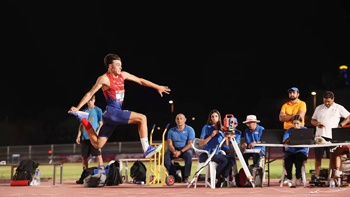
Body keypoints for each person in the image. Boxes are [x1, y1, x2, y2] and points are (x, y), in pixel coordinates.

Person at [69, 54, 171, 158]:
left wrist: (157, 87)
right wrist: (78, 107)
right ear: (110, 66)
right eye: (117, 65)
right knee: (142, 118)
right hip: (112, 112)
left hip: (111, 115)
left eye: (121, 65)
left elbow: (140, 80)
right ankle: (147, 149)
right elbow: (90, 94)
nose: (120, 67)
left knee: (97, 144)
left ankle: (84, 120)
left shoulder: (123, 75)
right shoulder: (104, 79)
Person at [311, 91, 350, 180]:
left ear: (333, 99)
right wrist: (317, 124)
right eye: (325, 101)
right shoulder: (319, 108)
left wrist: (340, 125)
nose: (327, 103)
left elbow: (348, 117)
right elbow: (312, 120)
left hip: (333, 136)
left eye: (328, 101)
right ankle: (316, 176)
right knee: (318, 157)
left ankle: (332, 177)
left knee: (333, 157)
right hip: (320, 136)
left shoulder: (338, 107)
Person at [199, 109, 235, 188]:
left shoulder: (222, 128)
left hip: (217, 153)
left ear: (219, 118)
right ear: (210, 118)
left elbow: (225, 145)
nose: (214, 118)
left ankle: (221, 178)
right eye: (212, 116)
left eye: (216, 116)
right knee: (224, 160)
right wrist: (211, 136)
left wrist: (226, 136)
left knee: (232, 159)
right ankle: (216, 177)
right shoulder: (206, 128)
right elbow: (201, 143)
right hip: (208, 153)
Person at [164, 113, 195, 183]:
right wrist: (174, 151)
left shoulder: (190, 130)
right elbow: (169, 144)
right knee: (165, 158)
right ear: (175, 120)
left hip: (185, 149)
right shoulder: (171, 131)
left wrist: (180, 152)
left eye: (181, 119)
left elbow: (190, 144)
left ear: (185, 120)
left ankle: (186, 176)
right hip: (174, 149)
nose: (179, 120)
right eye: (177, 119)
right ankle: (175, 174)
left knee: (189, 155)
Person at [75, 95, 104, 170]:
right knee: (84, 157)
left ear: (94, 100)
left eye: (91, 100)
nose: (89, 101)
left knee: (98, 156)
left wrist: (97, 132)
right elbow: (81, 125)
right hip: (85, 137)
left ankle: (101, 173)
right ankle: (85, 174)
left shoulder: (98, 110)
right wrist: (78, 136)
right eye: (88, 100)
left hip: (94, 138)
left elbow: (101, 124)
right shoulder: (84, 111)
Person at [282, 114, 308, 187]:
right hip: (291, 151)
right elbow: (284, 140)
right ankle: (289, 178)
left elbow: (309, 140)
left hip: (301, 151)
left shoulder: (305, 129)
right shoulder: (289, 130)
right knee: (287, 159)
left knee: (298, 160)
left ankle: (298, 177)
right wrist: (291, 137)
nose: (296, 125)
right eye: (294, 123)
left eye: (297, 123)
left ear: (301, 123)